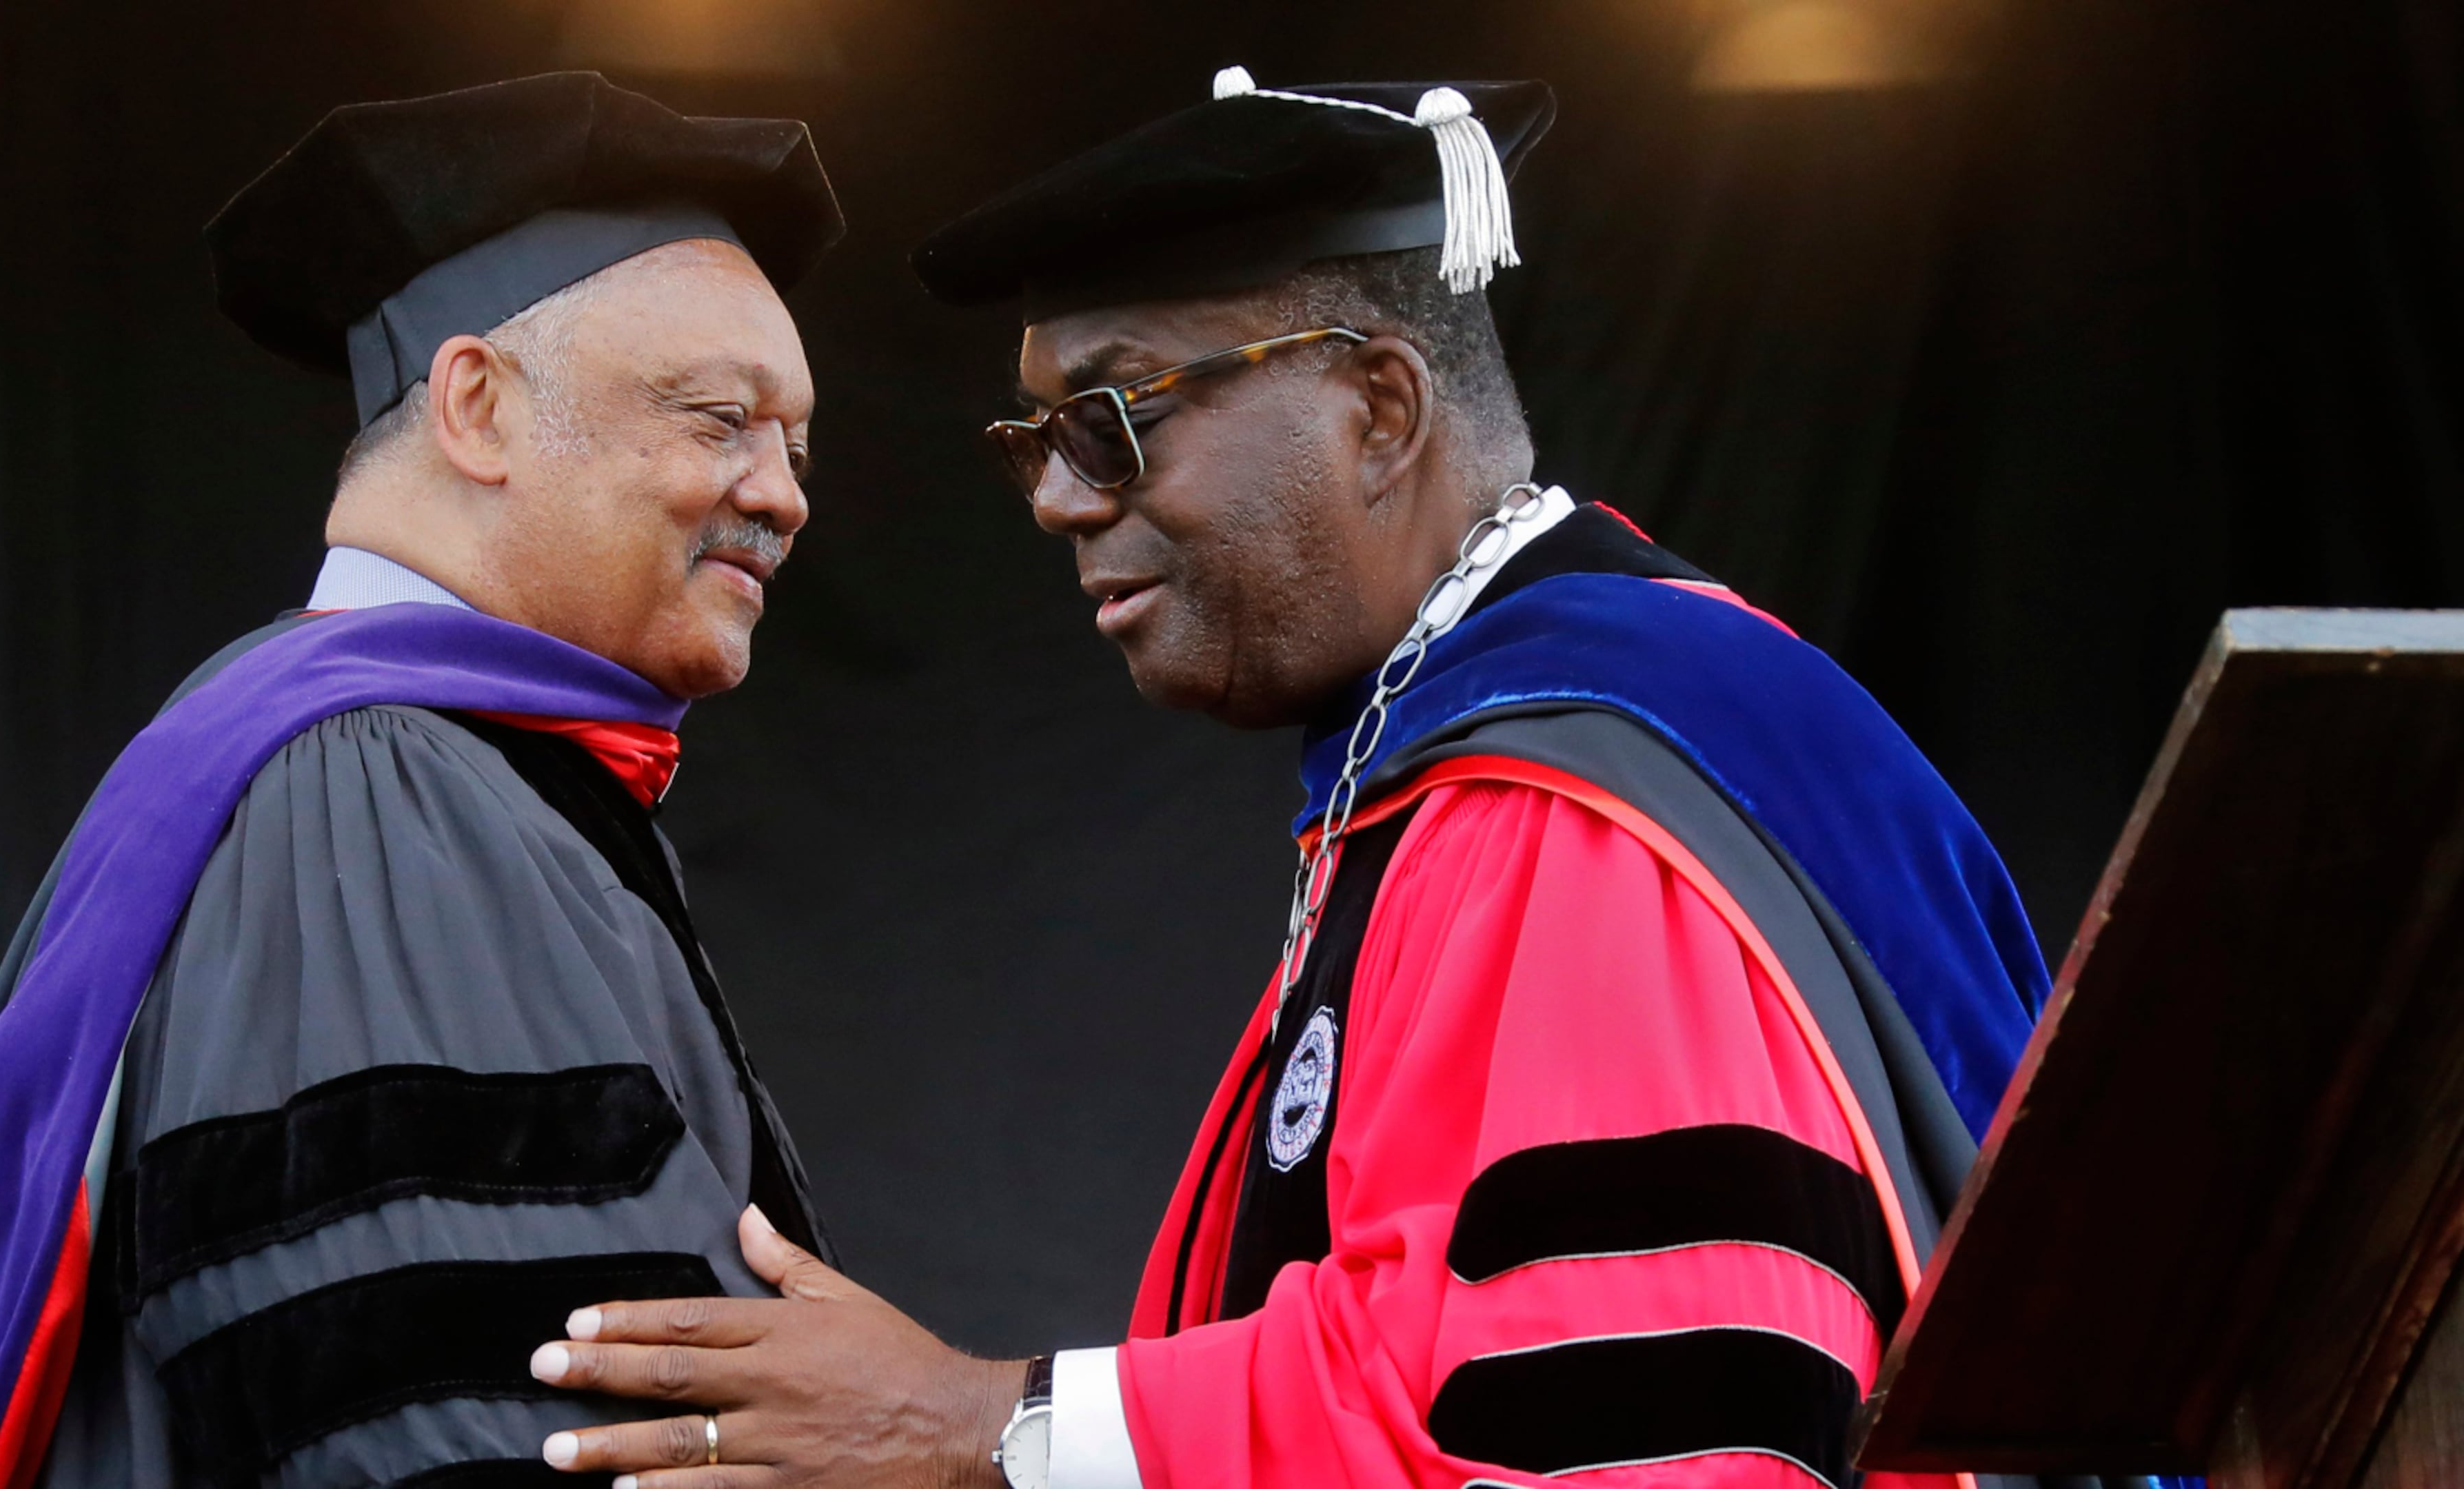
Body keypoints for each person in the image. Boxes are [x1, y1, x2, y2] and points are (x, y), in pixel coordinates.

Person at [524, 69, 2099, 1489]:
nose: (1061, 499)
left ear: (1381, 409)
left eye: (1117, 417)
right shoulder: (1447, 761)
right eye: (1037, 439)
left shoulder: (1581, 814)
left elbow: (1626, 1434)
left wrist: (981, 1424)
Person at [0, 71, 844, 1489]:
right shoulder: (383, 793)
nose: (784, 491)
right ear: (475, 406)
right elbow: (471, 1416)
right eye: (719, 417)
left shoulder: (372, 765)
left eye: (794, 441)